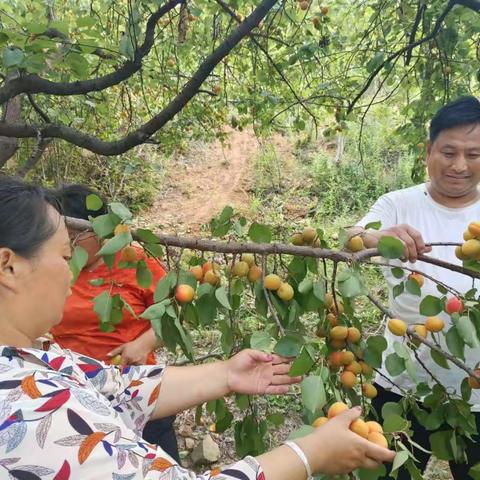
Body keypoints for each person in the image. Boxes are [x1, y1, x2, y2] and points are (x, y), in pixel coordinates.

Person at [0, 175, 395, 478]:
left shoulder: (31, 358)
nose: (71, 272)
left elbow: (118, 387)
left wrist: (225, 373)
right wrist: (309, 455)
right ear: (9, 266)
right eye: (64, 255)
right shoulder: (25, 409)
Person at [349, 95, 480, 479]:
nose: (460, 165)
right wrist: (375, 237)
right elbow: (350, 236)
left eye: (474, 154)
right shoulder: (397, 205)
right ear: (428, 152)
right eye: (449, 152)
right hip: (402, 386)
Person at [50, 184, 180, 462]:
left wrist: (143, 343)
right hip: (75, 395)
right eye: (65, 237)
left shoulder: (135, 262)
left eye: (77, 236)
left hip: (138, 391)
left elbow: (172, 313)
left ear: (99, 229)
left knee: (158, 464)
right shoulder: (54, 268)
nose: (70, 245)